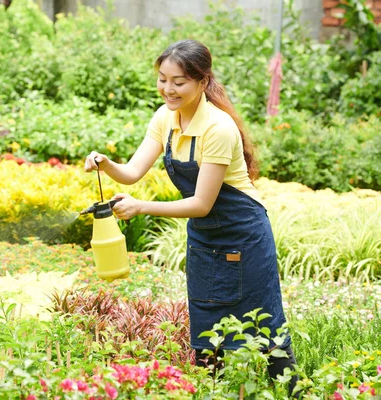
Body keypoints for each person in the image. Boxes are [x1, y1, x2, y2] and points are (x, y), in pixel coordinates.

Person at [84, 39, 299, 396]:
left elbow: (201, 202)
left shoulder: (218, 128)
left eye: (179, 81)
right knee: (206, 327)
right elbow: (133, 171)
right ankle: (210, 392)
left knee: (266, 330)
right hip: (204, 237)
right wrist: (105, 164)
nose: (168, 89)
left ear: (202, 82)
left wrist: (141, 206)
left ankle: (294, 392)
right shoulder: (164, 118)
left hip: (243, 234)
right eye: (162, 79)